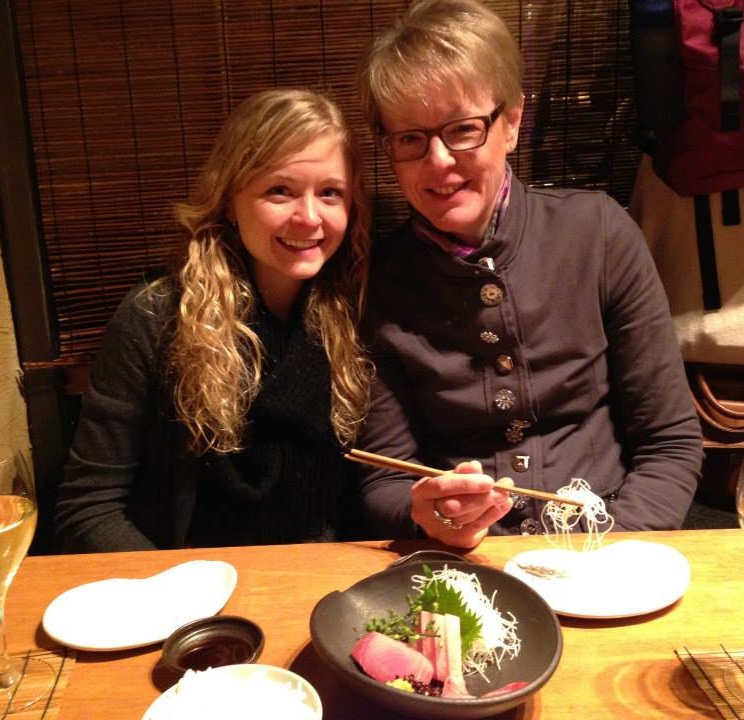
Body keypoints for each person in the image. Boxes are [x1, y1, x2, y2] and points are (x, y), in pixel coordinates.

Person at [355, 0, 703, 549]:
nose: (438, 161)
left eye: (463, 129)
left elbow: (671, 443)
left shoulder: (600, 233)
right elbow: (386, 479)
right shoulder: (380, 282)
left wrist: (605, 553)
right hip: (467, 563)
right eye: (410, 138)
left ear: (512, 121)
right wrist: (432, 516)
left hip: (611, 546)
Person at [53, 89, 372, 551]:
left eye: (330, 193)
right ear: (228, 199)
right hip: (186, 592)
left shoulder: (350, 313)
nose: (308, 217)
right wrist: (174, 596)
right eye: (279, 190)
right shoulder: (155, 316)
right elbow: (87, 508)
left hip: (319, 583)